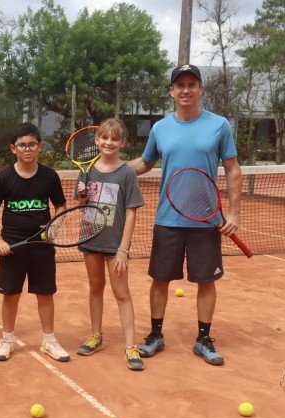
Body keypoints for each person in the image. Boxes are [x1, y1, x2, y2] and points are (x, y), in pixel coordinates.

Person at [128, 64, 242, 366]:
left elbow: (232, 168)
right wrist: (113, 170)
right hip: (168, 218)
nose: (186, 90)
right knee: (160, 279)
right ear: (172, 91)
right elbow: (146, 163)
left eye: (192, 84)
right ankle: (156, 335)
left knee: (206, 281)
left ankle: (203, 338)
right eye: (180, 85)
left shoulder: (219, 125)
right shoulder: (160, 128)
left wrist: (233, 211)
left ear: (200, 89)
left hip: (207, 220)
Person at [0, 123, 68, 362]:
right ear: (13, 148)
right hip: (12, 247)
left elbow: (60, 205)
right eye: (22, 145)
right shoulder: (4, 178)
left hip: (42, 247)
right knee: (10, 295)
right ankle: (7, 339)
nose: (27, 148)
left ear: (40, 146)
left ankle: (49, 340)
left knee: (45, 294)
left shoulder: (50, 176)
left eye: (32, 144)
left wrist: (54, 227)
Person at [73, 118, 145, 371]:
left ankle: (130, 347)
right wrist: (82, 196)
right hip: (91, 239)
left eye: (115, 139)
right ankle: (96, 336)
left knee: (121, 294)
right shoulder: (86, 171)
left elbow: (132, 212)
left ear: (122, 143)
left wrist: (124, 249)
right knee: (95, 288)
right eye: (104, 138)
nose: (109, 142)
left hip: (116, 246)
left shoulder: (127, 174)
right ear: (97, 140)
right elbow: (80, 205)